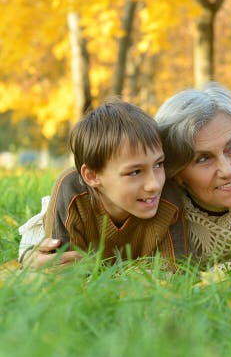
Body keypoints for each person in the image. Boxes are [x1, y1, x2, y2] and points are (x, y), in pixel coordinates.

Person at [20, 84, 231, 271]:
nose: (227, 169)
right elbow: (49, 223)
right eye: (202, 158)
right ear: (178, 173)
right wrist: (32, 256)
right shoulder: (163, 198)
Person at [20, 101, 188, 268]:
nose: (154, 185)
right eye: (135, 172)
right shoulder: (72, 192)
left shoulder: (168, 198)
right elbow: (65, 273)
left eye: (158, 164)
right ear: (92, 176)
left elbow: (175, 275)